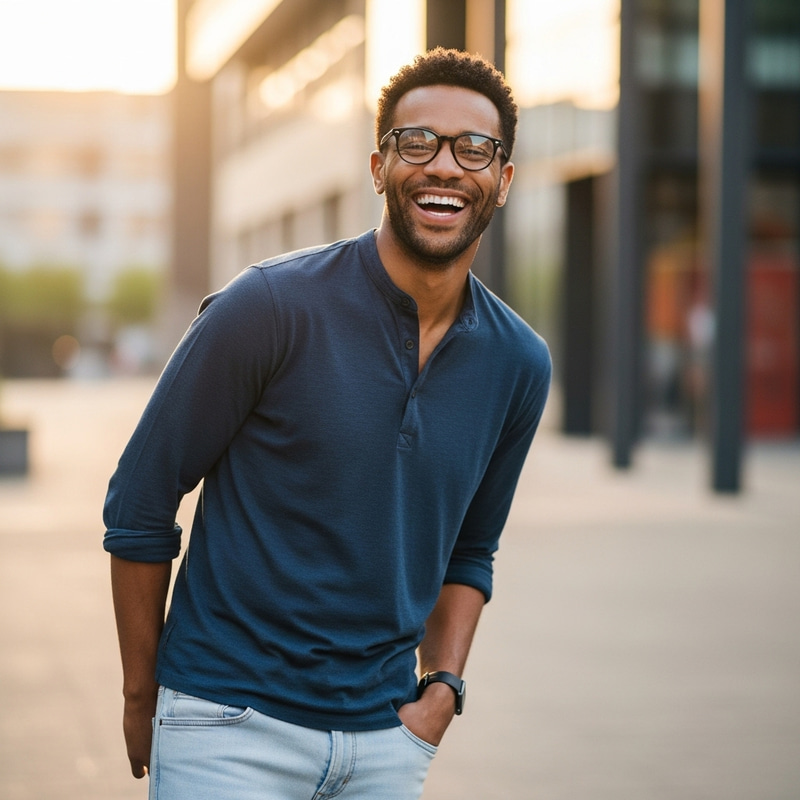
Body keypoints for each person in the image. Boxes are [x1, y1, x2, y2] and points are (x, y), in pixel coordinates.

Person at [103, 47, 551, 800]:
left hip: (384, 744)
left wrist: (442, 690)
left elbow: (471, 549)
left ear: (502, 181)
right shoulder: (269, 307)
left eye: (474, 148)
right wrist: (143, 697)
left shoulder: (518, 363)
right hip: (226, 725)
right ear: (379, 166)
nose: (445, 166)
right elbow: (140, 502)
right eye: (418, 143)